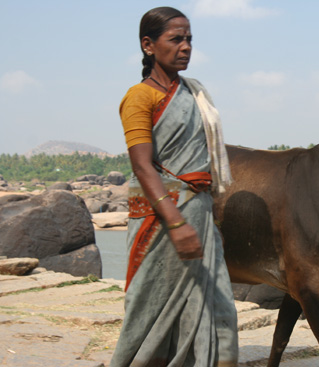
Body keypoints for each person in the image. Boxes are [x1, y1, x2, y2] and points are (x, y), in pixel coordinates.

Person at [110, 6, 238, 367]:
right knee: (151, 319)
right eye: (176, 39)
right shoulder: (139, 96)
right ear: (148, 45)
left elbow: (204, 169)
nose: (185, 47)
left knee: (219, 311)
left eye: (189, 39)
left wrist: (207, 223)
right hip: (161, 223)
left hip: (199, 219)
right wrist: (178, 224)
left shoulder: (194, 93)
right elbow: (142, 165)